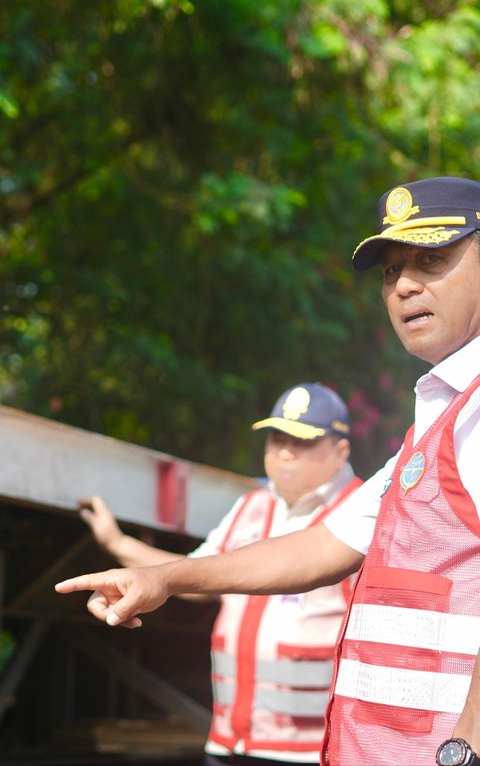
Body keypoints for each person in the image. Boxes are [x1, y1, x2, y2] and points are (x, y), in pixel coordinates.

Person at [56, 175, 480, 766]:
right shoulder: (437, 425)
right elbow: (318, 548)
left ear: (338, 450)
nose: (405, 284)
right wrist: (167, 579)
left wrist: (468, 747)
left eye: (432, 259)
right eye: (391, 270)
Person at [78, 382, 362, 766]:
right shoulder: (251, 506)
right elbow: (193, 578)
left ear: (340, 450)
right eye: (276, 436)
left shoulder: (361, 513)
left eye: (303, 440)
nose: (284, 450)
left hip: (314, 751)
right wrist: (117, 544)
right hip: (228, 743)